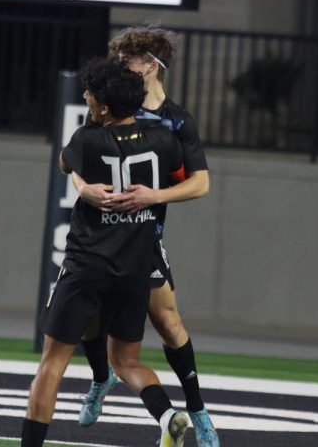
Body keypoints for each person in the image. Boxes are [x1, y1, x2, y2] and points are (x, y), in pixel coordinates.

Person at [22, 58, 190, 447]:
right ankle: (167, 414)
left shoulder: (86, 140)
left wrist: (82, 185)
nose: (85, 97)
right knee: (127, 361)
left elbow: (66, 162)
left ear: (103, 107)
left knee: (51, 366)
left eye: (91, 95)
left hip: (86, 266)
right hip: (134, 271)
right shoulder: (164, 140)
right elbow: (182, 175)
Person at [73, 27, 220, 446]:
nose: (120, 68)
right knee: (87, 318)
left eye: (128, 62)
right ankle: (101, 379)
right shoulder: (107, 106)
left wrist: (155, 195)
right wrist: (84, 188)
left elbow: (201, 184)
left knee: (169, 324)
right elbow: (80, 156)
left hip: (143, 241)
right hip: (97, 238)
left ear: (151, 67)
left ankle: (198, 412)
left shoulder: (176, 121)